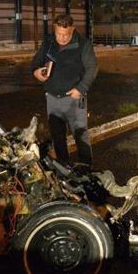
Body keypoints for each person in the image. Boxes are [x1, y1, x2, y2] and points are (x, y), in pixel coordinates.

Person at [32, 14, 97, 166]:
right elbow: (36, 61)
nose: (61, 38)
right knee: (58, 138)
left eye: (65, 35)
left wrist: (81, 88)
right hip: (53, 99)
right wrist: (36, 71)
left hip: (74, 99)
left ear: (72, 29)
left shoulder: (83, 44)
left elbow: (92, 68)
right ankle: (64, 169)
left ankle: (86, 170)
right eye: (58, 34)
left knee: (81, 136)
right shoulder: (49, 41)